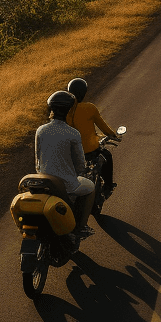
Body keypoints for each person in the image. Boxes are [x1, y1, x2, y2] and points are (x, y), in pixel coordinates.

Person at [35, 90, 95, 240]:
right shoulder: (72, 133)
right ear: (69, 110)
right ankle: (81, 227)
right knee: (90, 188)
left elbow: (37, 161)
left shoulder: (40, 131)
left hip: (44, 182)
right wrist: (81, 171)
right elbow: (80, 164)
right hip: (66, 185)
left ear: (51, 110)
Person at [65, 78, 118, 194]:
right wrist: (113, 135)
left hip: (71, 153)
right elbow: (104, 127)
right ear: (84, 93)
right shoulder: (90, 108)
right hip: (90, 152)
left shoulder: (65, 111)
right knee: (107, 156)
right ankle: (108, 186)